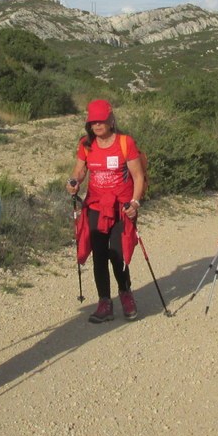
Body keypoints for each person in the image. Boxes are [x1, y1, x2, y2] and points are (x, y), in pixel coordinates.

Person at [67, 99, 145, 323]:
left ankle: (125, 294)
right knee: (99, 254)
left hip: (122, 207)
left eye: (101, 120)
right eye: (93, 122)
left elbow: (138, 176)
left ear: (111, 120)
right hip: (95, 206)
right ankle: (104, 302)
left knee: (117, 254)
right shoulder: (86, 144)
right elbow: (80, 170)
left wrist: (135, 203)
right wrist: (74, 181)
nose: (97, 125)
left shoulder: (124, 143)